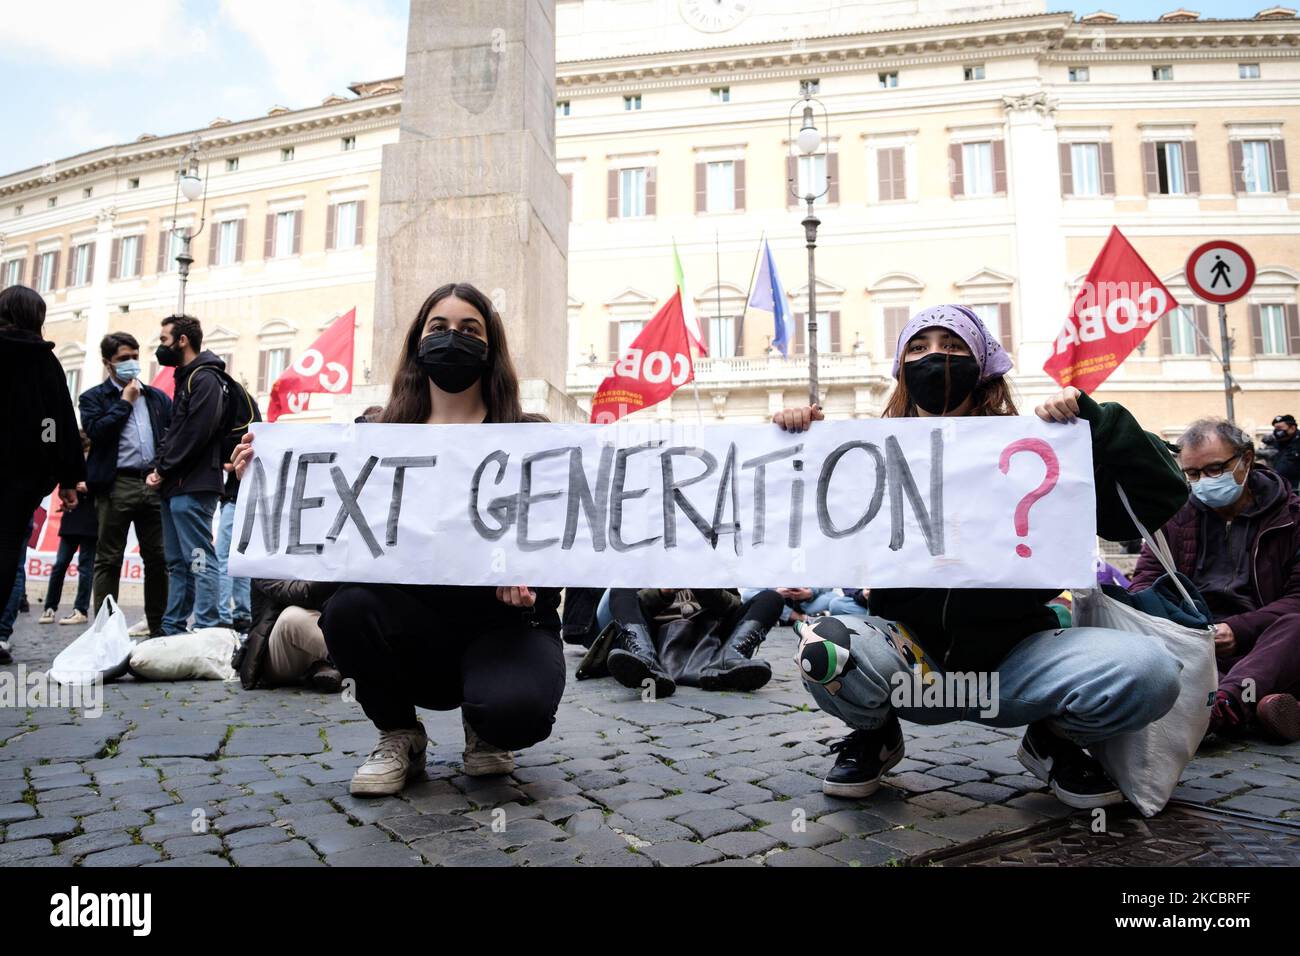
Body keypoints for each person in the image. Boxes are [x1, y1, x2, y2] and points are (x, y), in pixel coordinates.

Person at [774, 304, 1187, 808]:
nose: (936, 358)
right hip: (913, 665)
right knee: (824, 643)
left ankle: (1054, 742)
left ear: (983, 364)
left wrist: (1100, 425)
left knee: (1152, 671)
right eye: (919, 348)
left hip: (1017, 663)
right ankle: (875, 735)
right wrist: (792, 440)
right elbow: (783, 516)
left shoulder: (1038, 448)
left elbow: (1158, 498)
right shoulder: (868, 452)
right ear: (901, 369)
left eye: (953, 347)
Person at [233, 282, 566, 797]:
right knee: (347, 609)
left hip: (504, 626)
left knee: (513, 713)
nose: (452, 338)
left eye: (469, 329)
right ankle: (399, 734)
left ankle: (487, 725)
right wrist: (263, 475)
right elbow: (329, 542)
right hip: (413, 629)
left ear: (490, 346)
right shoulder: (372, 436)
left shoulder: (531, 436)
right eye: (438, 328)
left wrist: (532, 573)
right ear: (417, 342)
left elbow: (566, 543)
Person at [1131, 419, 1300, 742]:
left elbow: (1297, 597)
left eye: (1214, 470)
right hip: (1200, 646)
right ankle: (1250, 706)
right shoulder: (1173, 518)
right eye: (1192, 474)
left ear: (1246, 460)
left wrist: (1239, 629)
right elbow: (1144, 584)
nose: (1203, 482)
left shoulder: (1292, 516)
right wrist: (1184, 627)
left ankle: (1221, 708)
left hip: (1268, 641)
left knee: (1295, 628)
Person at [0, 286, 84, 664]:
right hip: (23, 476)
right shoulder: (44, 363)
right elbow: (56, 422)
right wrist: (64, 475)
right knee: (6, 553)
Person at [80, 331, 172, 637]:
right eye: (123, 359)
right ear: (108, 363)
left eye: (134, 356)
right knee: (108, 559)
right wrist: (124, 403)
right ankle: (106, 631)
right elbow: (97, 432)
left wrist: (162, 469)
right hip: (115, 483)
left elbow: (170, 437)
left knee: (158, 558)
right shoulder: (93, 398)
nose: (132, 363)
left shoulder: (157, 397)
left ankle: (158, 626)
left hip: (153, 483)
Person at [147, 315, 227, 635]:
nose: (160, 346)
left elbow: (196, 432)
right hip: (175, 486)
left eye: (165, 339)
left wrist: (163, 468)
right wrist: (160, 469)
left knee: (198, 559)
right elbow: (177, 430)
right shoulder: (187, 378)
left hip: (192, 486)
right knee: (178, 562)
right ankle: (172, 628)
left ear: (183, 340)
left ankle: (208, 627)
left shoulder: (205, 378)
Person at [602, 587, 784, 696]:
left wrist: (705, 591)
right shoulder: (648, 559)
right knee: (620, 591)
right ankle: (644, 659)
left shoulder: (715, 561)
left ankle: (728, 659)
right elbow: (631, 604)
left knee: (771, 598)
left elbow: (735, 605)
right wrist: (663, 593)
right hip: (657, 635)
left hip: (714, 636)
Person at [237, 579, 342, 692]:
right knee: (292, 618)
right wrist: (338, 576)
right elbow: (302, 593)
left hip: (316, 643)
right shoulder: (264, 565)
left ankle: (325, 666)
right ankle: (353, 659)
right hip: (277, 650)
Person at [39, 432, 97, 626]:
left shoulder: (98, 461)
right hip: (72, 519)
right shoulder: (72, 464)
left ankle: (80, 609)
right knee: (60, 564)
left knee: (85, 567)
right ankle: (50, 606)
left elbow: (105, 485)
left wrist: (90, 487)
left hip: (91, 520)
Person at [215, 395, 262, 633]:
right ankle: (241, 613)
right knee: (240, 559)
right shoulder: (253, 435)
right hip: (243, 502)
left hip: (234, 501)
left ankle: (224, 614)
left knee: (223, 557)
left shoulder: (239, 437)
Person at [1258, 414, 1300, 490]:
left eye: (1279, 428)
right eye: (1275, 428)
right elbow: (1259, 458)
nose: (1277, 431)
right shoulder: (1274, 441)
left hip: (1295, 490)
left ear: (1292, 428)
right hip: (1276, 488)